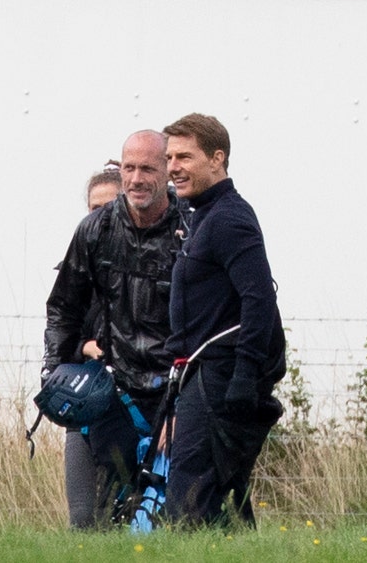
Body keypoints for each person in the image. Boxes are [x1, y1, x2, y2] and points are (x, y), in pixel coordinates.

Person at [43, 132, 183, 529]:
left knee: (176, 519)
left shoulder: (190, 229)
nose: (136, 178)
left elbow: (215, 324)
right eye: (129, 168)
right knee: (99, 521)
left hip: (174, 393)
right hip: (112, 392)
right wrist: (54, 370)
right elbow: (62, 308)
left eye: (148, 169)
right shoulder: (95, 230)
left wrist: (190, 403)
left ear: (168, 171)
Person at [162, 113, 285, 528]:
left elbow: (259, 297)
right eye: (170, 157)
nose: (173, 166)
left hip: (223, 374)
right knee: (218, 492)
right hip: (204, 371)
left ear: (218, 159)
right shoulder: (201, 216)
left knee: (190, 495)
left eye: (184, 156)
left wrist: (245, 375)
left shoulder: (229, 217)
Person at [55, 160, 123, 529]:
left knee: (119, 515)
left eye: (109, 206)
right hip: (84, 403)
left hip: (131, 407)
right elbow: (60, 332)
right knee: (82, 517)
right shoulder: (74, 269)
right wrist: (85, 347)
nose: (99, 216)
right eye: (93, 208)